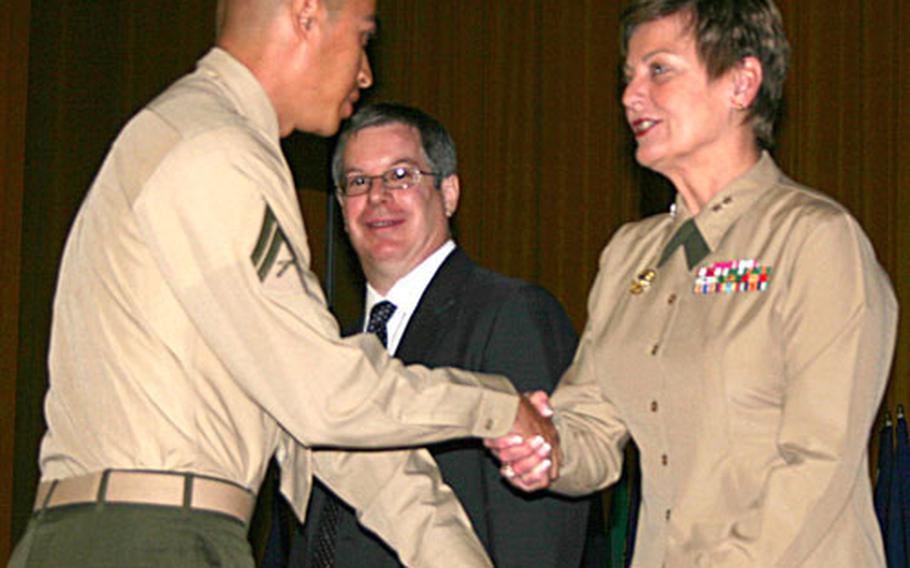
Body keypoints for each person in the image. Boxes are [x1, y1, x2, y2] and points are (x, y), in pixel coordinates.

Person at [8, 1, 557, 566]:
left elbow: (324, 434)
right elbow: (323, 395)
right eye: (363, 38)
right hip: (151, 538)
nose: (366, 73)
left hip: (129, 531)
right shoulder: (214, 152)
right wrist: (494, 405)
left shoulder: (198, 139)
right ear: (307, 14)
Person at [489, 0, 899, 566]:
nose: (632, 96)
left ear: (741, 82)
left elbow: (818, 463)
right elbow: (591, 425)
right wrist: (544, 448)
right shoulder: (630, 254)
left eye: (659, 69)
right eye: (628, 76)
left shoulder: (815, 240)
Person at [280, 102, 596, 568]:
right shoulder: (332, 346)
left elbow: (539, 529)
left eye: (401, 175)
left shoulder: (512, 315)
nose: (378, 197)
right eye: (358, 182)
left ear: (448, 193)